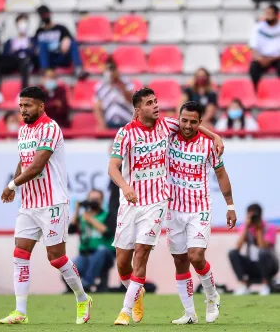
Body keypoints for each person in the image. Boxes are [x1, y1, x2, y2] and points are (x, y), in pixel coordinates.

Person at [108, 87, 223, 326]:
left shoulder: (166, 124)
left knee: (141, 255)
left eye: (156, 101)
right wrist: (126, 187)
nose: (156, 106)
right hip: (129, 203)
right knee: (122, 263)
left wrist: (214, 136)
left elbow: (190, 124)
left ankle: (125, 311)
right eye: (149, 103)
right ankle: (136, 292)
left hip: (157, 202)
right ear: (138, 110)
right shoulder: (125, 133)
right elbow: (112, 168)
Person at [0, 87, 92, 325]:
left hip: (52, 203)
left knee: (56, 258)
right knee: (20, 254)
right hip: (29, 203)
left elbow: (38, 165)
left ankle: (82, 298)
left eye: (27, 105)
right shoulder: (23, 131)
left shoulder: (50, 128)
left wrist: (10, 185)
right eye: (20, 106)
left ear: (41, 106)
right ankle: (20, 311)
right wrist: (17, 186)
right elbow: (24, 160)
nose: (23, 110)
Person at [166, 101, 237, 325]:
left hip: (199, 208)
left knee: (196, 256)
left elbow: (221, 174)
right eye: (184, 120)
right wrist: (215, 133)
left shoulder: (208, 145)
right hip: (173, 208)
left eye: (193, 122)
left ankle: (212, 296)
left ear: (200, 122)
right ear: (178, 119)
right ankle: (189, 313)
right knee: (179, 260)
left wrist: (231, 206)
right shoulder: (167, 136)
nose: (187, 125)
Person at [68, 189, 115, 292]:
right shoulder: (83, 217)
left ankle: (86, 283)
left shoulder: (108, 215)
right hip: (85, 254)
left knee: (101, 250)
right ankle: (73, 286)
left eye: (96, 199)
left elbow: (108, 233)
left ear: (102, 201)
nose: (93, 202)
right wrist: (77, 210)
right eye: (91, 199)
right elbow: (70, 230)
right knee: (70, 269)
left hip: (106, 255)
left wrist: (91, 219)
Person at [229, 204, 278, 296]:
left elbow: (263, 248)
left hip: (269, 265)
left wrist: (258, 230)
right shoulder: (246, 228)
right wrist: (246, 228)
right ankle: (244, 285)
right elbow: (238, 247)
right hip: (251, 264)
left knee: (263, 253)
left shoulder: (269, 228)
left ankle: (266, 285)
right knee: (232, 253)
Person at [0, 13, 36, 103]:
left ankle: (23, 93)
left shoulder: (32, 40)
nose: (23, 26)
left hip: (25, 63)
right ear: (16, 25)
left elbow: (33, 53)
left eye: (25, 23)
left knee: (24, 62)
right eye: (20, 23)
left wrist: (20, 51)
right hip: (13, 62)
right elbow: (6, 55)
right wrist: (22, 50)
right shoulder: (10, 41)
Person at [35, 5, 88, 80]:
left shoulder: (61, 28)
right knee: (42, 44)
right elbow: (36, 47)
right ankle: (45, 71)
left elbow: (68, 39)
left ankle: (78, 69)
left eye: (45, 14)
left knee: (72, 42)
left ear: (49, 14)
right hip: (48, 59)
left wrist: (66, 40)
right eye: (42, 15)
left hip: (61, 56)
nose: (44, 16)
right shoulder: (39, 31)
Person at [93, 58, 134, 130]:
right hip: (109, 123)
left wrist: (119, 83)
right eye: (108, 69)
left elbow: (131, 101)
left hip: (126, 123)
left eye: (112, 69)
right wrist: (101, 124)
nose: (110, 72)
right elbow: (97, 107)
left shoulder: (126, 82)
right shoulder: (100, 86)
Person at [249, 4, 280, 90]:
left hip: (277, 58)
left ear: (276, 15)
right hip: (261, 58)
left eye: (270, 14)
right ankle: (256, 92)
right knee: (253, 68)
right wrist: (259, 59)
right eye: (266, 13)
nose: (267, 16)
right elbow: (252, 46)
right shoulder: (258, 27)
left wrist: (270, 59)